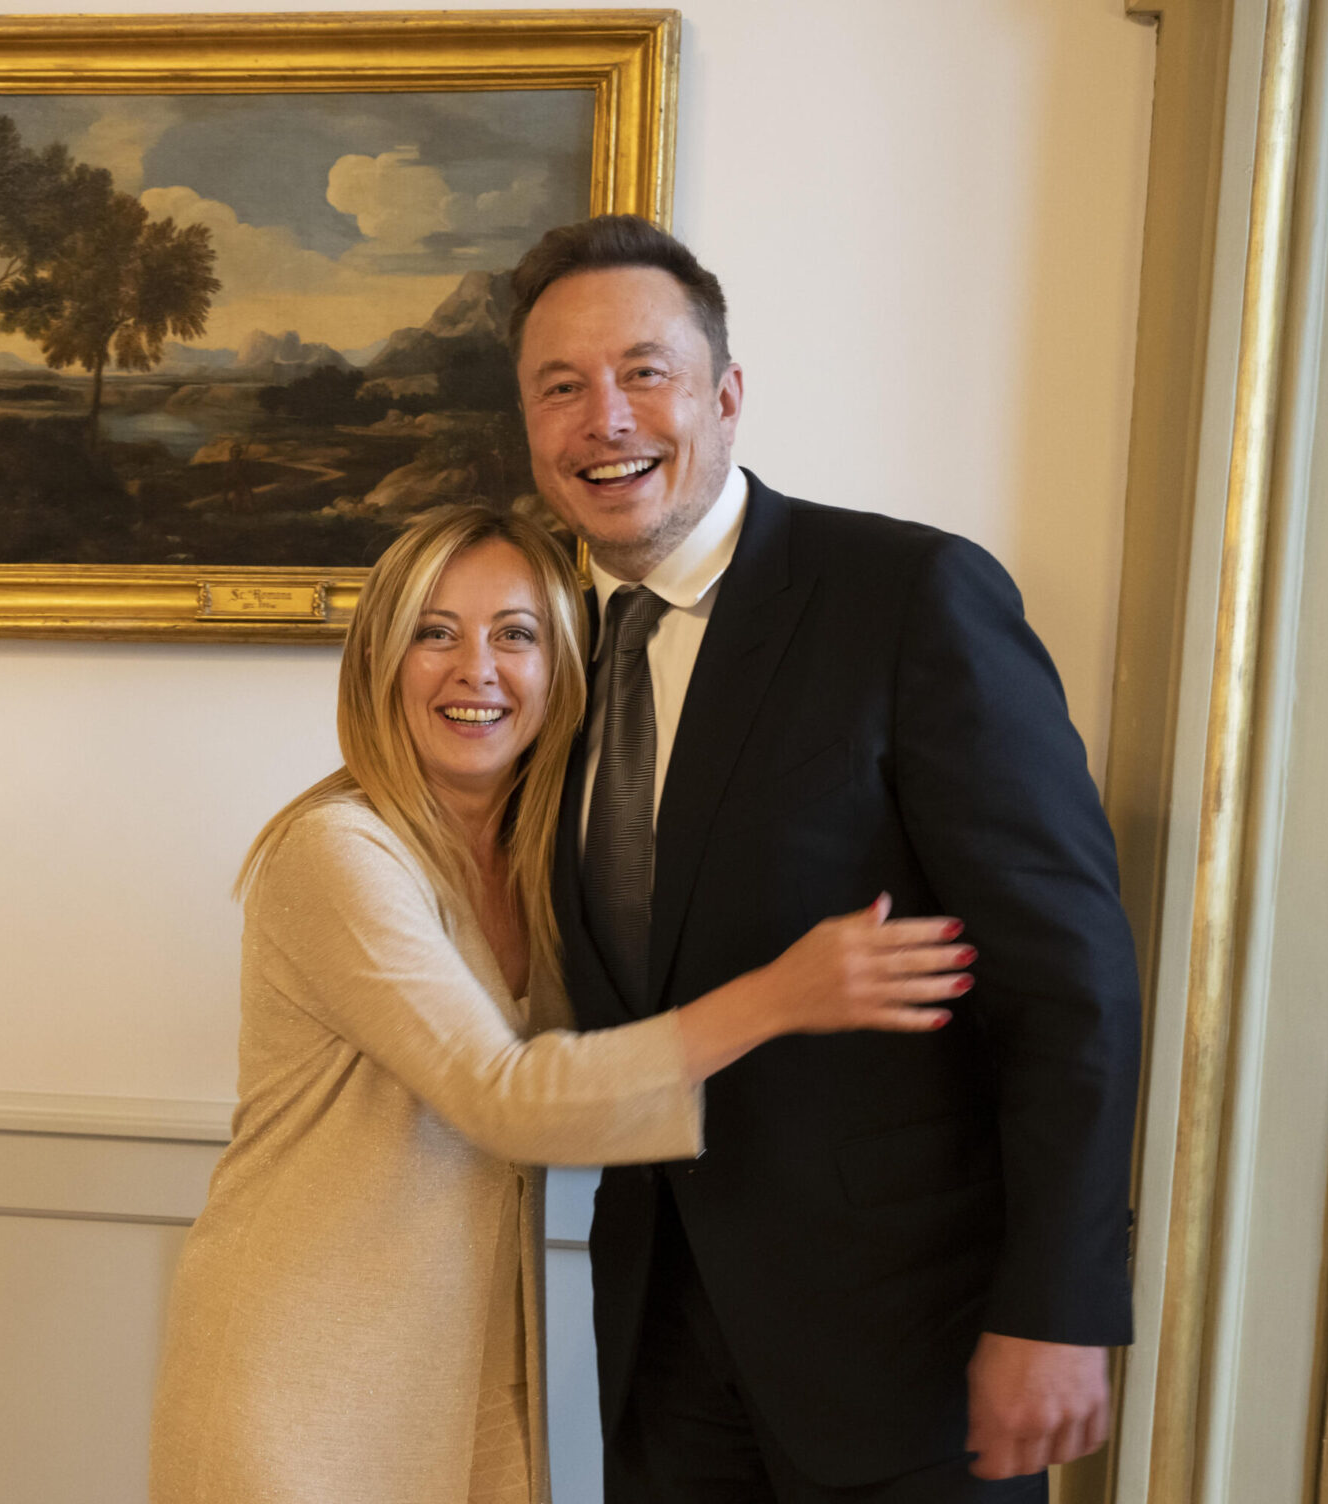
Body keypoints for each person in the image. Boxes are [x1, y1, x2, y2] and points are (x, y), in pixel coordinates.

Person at [148, 504, 975, 1504]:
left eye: (516, 634)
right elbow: (503, 1096)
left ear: (564, 671)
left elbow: (608, 1057)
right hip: (307, 1375)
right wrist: (779, 996)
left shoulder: (548, 860)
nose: (477, 670)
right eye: (435, 632)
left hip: (473, 1362)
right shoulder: (337, 852)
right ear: (378, 661)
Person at [509, 216, 1143, 1502]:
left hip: (908, 1347)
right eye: (560, 387)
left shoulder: (907, 596)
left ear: (726, 396)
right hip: (659, 1353)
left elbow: (1070, 977)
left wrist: (1058, 1306)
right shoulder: (546, 655)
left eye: (645, 372)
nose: (604, 418)